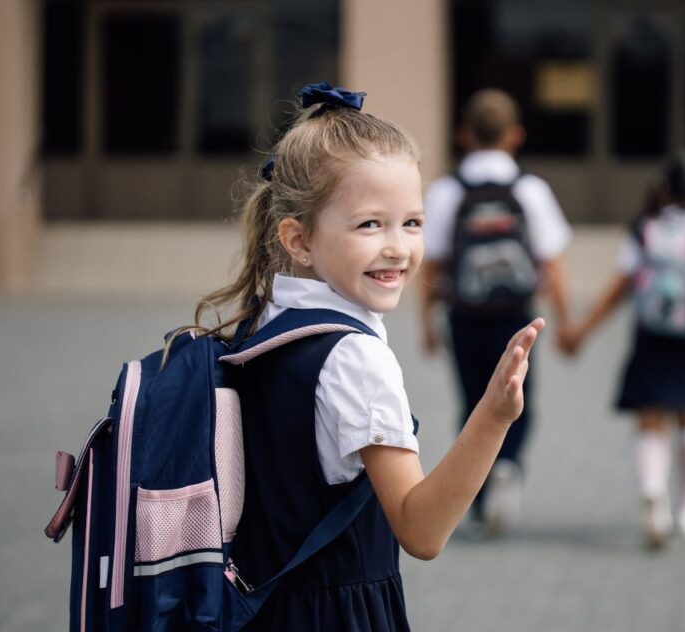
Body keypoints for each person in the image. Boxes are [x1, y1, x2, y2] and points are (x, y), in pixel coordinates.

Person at [183, 82, 543, 630]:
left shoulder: (270, 319)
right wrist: (493, 417)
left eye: (412, 222)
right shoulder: (354, 357)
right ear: (298, 239)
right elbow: (421, 531)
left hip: (264, 606)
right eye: (370, 224)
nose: (398, 246)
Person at [560, 152, 685, 549]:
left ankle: (653, 492)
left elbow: (620, 288)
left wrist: (582, 331)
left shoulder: (646, 230)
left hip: (653, 336)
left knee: (651, 420)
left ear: (662, 189)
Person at [419, 88, 572, 535]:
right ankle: (508, 463)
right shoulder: (530, 190)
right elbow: (551, 262)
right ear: (515, 135)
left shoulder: (447, 191)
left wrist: (426, 323)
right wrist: (565, 323)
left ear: (464, 135)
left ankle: (480, 497)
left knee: (472, 402)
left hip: (463, 314)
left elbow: (433, 263)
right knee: (519, 399)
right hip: (518, 316)